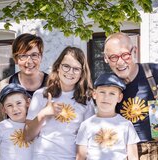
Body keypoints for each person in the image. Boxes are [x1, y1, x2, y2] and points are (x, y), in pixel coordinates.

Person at [23, 46, 95, 160]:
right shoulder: (41, 95)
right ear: (58, 67)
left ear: (82, 73)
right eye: (66, 66)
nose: (70, 72)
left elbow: (88, 141)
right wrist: (43, 114)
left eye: (76, 69)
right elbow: (27, 136)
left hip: (70, 157)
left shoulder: (86, 101)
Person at [104, 32, 158, 160]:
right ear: (106, 59)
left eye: (125, 55)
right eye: (113, 57)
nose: (120, 62)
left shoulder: (154, 72)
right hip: (125, 151)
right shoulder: (106, 86)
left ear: (134, 51)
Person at [76, 72, 140, 160]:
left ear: (119, 97)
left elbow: (133, 157)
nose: (106, 97)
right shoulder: (86, 125)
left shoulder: (126, 125)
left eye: (112, 93)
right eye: (102, 92)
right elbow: (81, 156)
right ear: (94, 94)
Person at [0, 33, 48, 122]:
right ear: (15, 59)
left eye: (34, 55)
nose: (29, 61)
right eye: (23, 56)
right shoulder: (3, 86)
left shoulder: (53, 84)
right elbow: (0, 122)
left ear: (41, 57)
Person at [0, 83, 33, 160]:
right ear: (4, 110)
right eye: (9, 105)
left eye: (19, 103)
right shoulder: (1, 127)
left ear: (28, 103)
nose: (15, 109)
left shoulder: (35, 125)